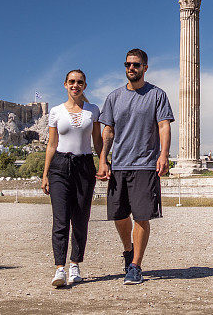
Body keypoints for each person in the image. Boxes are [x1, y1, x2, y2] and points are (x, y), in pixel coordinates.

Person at [97, 48, 174, 285]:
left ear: (145, 68)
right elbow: (107, 130)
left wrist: (163, 155)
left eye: (136, 65)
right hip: (119, 164)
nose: (132, 68)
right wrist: (102, 159)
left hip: (145, 164)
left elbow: (163, 126)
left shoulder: (157, 95)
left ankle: (135, 266)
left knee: (142, 216)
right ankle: (128, 249)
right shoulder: (113, 97)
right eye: (128, 64)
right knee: (119, 215)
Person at [42, 69, 101, 288]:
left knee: (80, 218)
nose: (75, 85)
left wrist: (103, 161)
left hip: (84, 165)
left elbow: (97, 141)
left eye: (79, 82)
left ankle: (75, 264)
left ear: (85, 86)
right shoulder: (56, 111)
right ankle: (59, 269)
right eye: (71, 82)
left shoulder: (93, 110)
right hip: (59, 166)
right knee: (60, 218)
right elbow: (51, 144)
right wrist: (45, 174)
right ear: (65, 85)